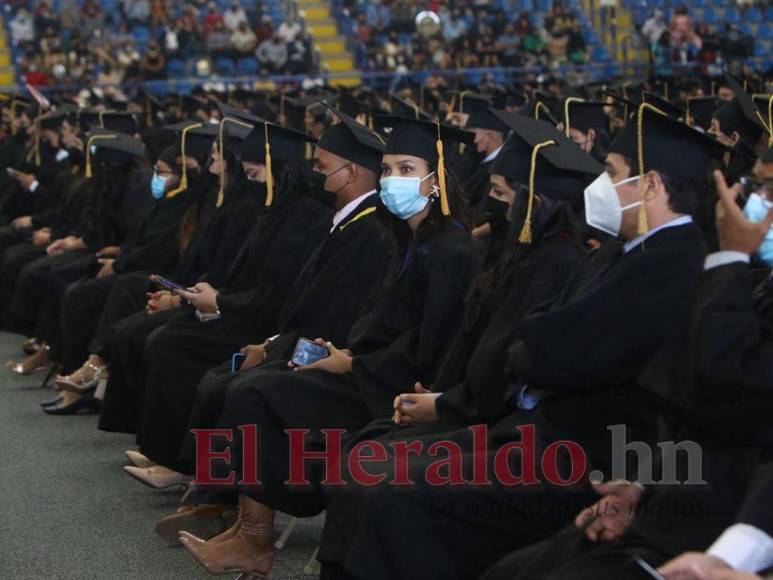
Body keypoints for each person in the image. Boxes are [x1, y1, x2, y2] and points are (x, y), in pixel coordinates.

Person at [314, 105, 723, 580]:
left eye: (612, 174)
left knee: (395, 493)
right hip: (532, 431)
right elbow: (541, 336)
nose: (601, 188)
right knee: (371, 466)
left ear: (650, 185)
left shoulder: (675, 266)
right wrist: (541, 346)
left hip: (579, 456)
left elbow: (554, 350)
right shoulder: (621, 253)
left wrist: (540, 347)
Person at [175, 117, 480, 578]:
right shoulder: (412, 242)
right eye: (389, 169)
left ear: (434, 180)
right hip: (362, 368)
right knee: (258, 382)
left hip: (390, 388)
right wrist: (333, 351)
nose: (394, 179)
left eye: (406, 168)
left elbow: (428, 348)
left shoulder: (450, 252)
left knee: (256, 391)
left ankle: (255, 540)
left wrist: (351, 363)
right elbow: (378, 320)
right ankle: (247, 531)